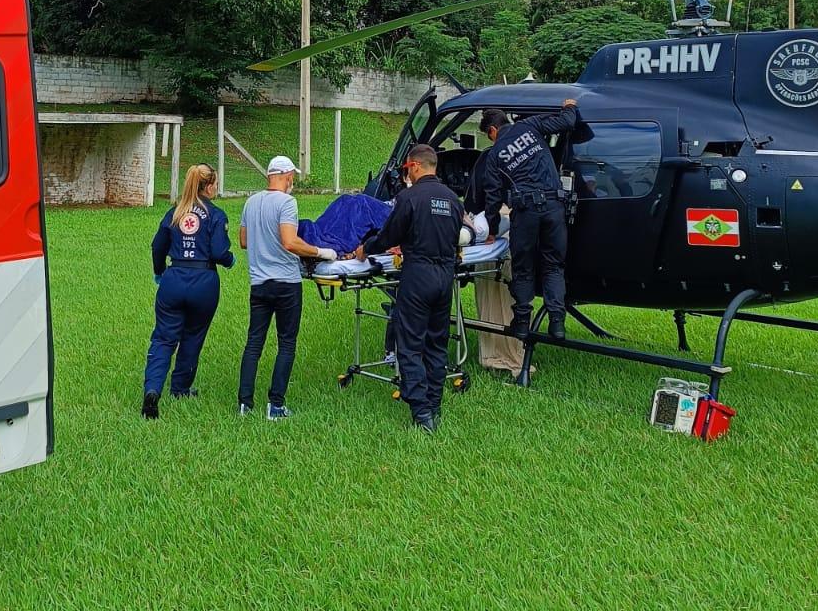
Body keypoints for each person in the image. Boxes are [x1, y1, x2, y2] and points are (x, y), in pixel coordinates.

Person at [356, 144, 463, 433]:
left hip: (418, 275)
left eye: (408, 170)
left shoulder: (409, 197)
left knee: (410, 345)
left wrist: (367, 248)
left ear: (415, 166)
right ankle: (435, 404)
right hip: (445, 276)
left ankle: (421, 412)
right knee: (436, 343)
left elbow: (391, 234)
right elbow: (456, 239)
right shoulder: (453, 200)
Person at [464, 100, 583, 341]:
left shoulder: (495, 155)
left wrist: (491, 231)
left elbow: (493, 199)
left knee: (523, 268)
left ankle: (521, 324)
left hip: (525, 212)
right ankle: (557, 323)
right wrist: (569, 106)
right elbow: (568, 122)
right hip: (553, 207)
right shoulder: (531, 125)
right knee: (553, 266)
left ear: (492, 131)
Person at [237, 155, 336, 421]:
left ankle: (245, 404)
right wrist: (321, 252)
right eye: (293, 177)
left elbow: (244, 241)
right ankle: (276, 405)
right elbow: (290, 242)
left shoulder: (251, 201)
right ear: (287, 176)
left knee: (254, 343)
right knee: (287, 344)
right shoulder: (287, 202)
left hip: (259, 283)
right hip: (286, 284)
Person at [143, 164, 234, 419]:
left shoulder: (175, 212)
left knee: (163, 338)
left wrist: (160, 271)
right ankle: (180, 388)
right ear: (209, 185)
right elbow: (218, 252)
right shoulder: (216, 215)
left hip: (174, 279)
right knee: (192, 336)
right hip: (204, 282)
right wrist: (229, 260)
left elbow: (157, 245)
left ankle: (152, 389)